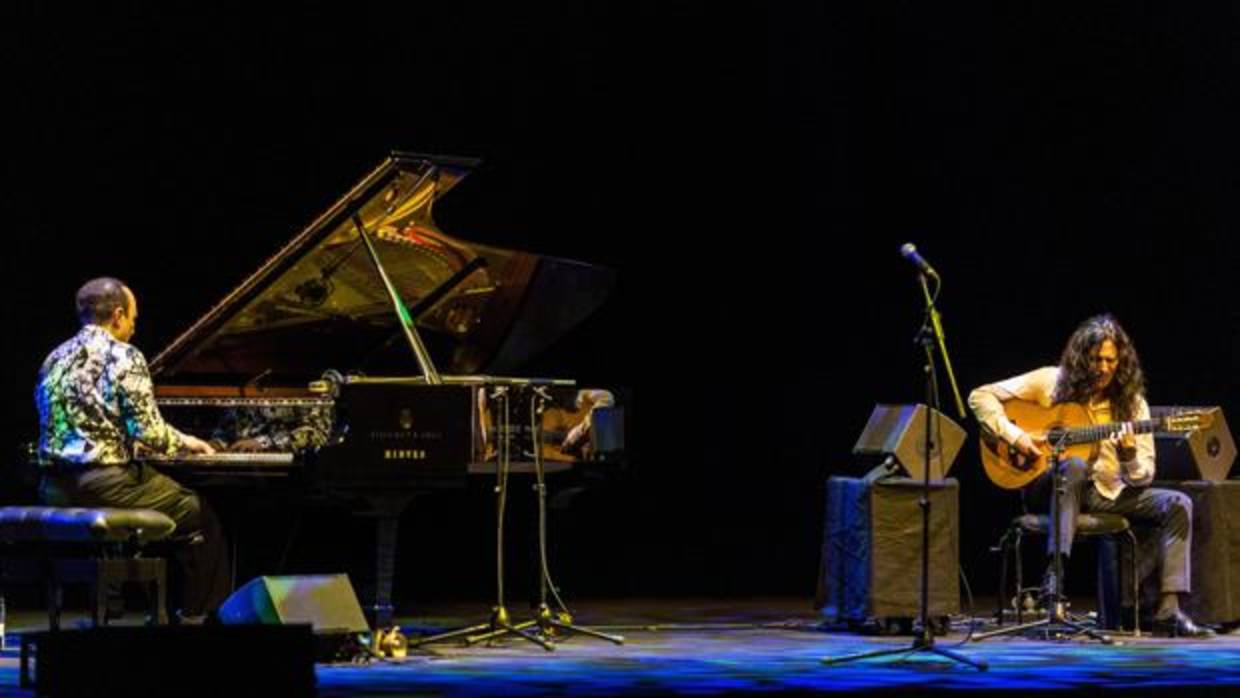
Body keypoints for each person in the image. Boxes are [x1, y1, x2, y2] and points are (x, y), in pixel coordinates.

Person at [968, 314, 1212, 638]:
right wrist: (1016, 437)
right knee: (1075, 466)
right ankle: (1053, 583)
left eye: (1111, 360)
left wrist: (1128, 458)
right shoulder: (1050, 382)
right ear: (1082, 358)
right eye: (1096, 359)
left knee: (1178, 503)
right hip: (1050, 486)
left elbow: (1144, 476)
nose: (1103, 367)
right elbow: (979, 396)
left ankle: (1168, 610)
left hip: (1106, 493)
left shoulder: (1133, 406)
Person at [35, 277, 231, 621]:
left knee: (159, 509)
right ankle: (199, 619)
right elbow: (149, 431)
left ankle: (141, 607)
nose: (134, 329)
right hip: (105, 484)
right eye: (134, 320)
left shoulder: (54, 358)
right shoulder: (124, 355)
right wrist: (188, 442)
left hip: (53, 488)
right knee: (200, 514)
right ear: (118, 315)